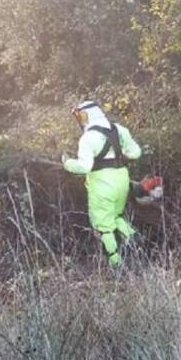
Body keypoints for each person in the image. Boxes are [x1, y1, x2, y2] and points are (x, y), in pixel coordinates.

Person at [62, 100, 142, 265]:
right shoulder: (120, 130)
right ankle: (134, 240)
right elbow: (135, 153)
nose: (81, 120)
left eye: (82, 116)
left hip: (101, 184)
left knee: (103, 226)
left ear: (90, 114)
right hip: (121, 180)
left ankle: (115, 265)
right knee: (116, 216)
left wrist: (67, 163)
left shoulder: (88, 138)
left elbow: (84, 167)